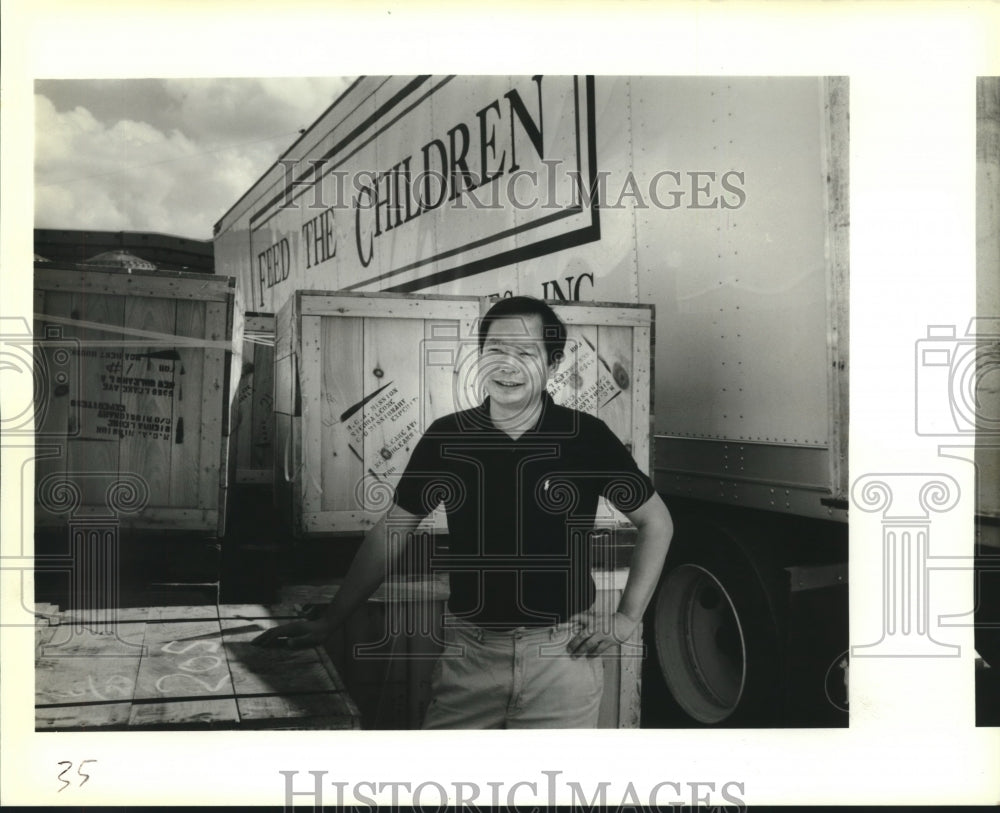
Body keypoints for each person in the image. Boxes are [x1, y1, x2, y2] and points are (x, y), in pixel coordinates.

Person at [255, 296, 673, 728]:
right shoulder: (448, 438)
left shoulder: (586, 437)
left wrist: (626, 619)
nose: (508, 365)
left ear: (553, 363)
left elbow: (656, 522)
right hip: (471, 658)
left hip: (562, 662)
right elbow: (391, 533)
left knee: (553, 792)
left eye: (526, 353)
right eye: (495, 351)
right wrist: (331, 620)